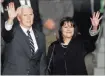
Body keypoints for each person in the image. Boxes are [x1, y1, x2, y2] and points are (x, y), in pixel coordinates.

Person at [2, 4, 46, 75]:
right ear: (19, 18)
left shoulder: (40, 36)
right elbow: (6, 34)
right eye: (25, 15)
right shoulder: (13, 32)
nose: (28, 18)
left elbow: (42, 63)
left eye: (30, 14)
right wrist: (10, 19)